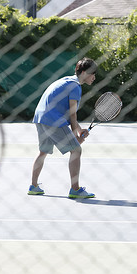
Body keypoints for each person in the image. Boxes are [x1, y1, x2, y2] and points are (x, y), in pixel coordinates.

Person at [28, 57, 97, 199]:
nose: (94, 77)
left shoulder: (67, 80)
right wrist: (75, 138)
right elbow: (72, 115)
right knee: (76, 150)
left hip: (40, 117)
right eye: (92, 73)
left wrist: (78, 131)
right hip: (53, 120)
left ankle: (33, 186)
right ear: (84, 72)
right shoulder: (76, 87)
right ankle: (75, 189)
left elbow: (66, 113)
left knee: (43, 152)